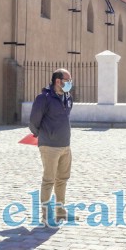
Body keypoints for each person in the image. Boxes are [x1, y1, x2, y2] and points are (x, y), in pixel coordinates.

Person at [29, 68, 73, 225]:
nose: (70, 83)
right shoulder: (44, 98)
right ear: (58, 81)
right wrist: (44, 135)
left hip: (65, 145)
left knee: (62, 179)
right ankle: (46, 216)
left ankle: (60, 212)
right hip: (49, 146)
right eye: (67, 80)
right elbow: (33, 122)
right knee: (49, 181)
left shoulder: (67, 97)